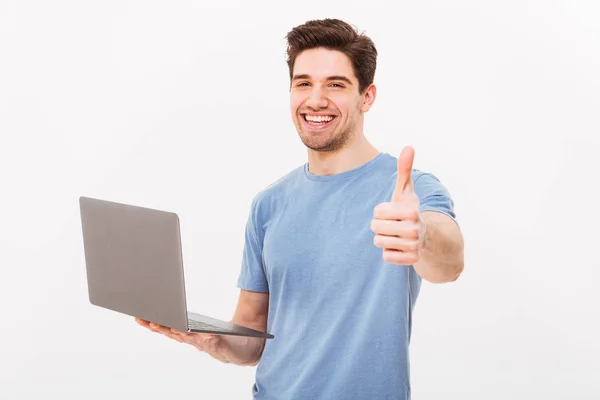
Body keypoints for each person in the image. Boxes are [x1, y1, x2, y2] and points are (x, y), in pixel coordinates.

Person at [136, 18, 464, 399]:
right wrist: (209, 340)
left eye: (336, 85)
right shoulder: (268, 204)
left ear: (367, 97)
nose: (315, 100)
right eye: (303, 83)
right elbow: (252, 339)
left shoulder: (409, 189)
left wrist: (421, 236)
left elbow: (451, 261)